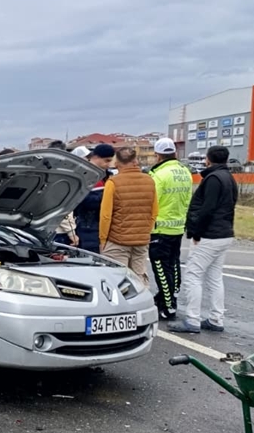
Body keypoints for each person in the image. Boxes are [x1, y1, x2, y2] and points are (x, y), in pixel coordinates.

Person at [170, 145, 238, 334]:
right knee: (215, 277)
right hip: (224, 233)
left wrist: (196, 232)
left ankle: (192, 320)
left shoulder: (213, 179)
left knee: (193, 275)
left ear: (208, 159)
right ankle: (216, 319)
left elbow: (207, 209)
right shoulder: (228, 177)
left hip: (210, 235)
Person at [147, 137, 193, 320]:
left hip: (160, 227)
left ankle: (167, 306)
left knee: (160, 266)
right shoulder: (185, 171)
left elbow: (151, 201)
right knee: (173, 264)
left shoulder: (158, 175)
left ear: (158, 155)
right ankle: (170, 296)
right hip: (178, 226)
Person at [99, 146, 158, 279]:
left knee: (117, 279)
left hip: (118, 240)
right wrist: (144, 232)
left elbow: (106, 216)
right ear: (135, 161)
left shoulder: (113, 182)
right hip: (141, 240)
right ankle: (143, 299)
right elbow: (154, 212)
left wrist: (103, 240)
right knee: (139, 277)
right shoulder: (149, 181)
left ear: (116, 163)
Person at [72, 143, 114, 251]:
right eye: (107, 161)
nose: (109, 164)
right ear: (96, 157)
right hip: (87, 226)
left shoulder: (107, 176)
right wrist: (109, 198)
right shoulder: (84, 174)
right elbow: (85, 201)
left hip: (103, 227)